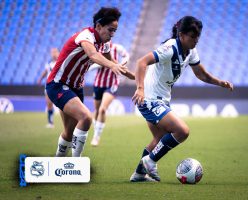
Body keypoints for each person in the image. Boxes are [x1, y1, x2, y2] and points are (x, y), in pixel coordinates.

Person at [130, 16, 234, 182]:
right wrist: (140, 89)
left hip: (162, 100)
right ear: (182, 35)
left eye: (198, 37)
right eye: (193, 36)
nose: (196, 40)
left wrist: (220, 83)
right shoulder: (170, 47)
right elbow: (142, 62)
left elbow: (202, 74)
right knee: (182, 131)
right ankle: (149, 161)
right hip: (149, 99)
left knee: (159, 139)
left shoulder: (191, 52)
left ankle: (139, 174)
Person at [46, 7, 130, 157]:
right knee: (86, 118)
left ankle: (57, 162)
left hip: (76, 89)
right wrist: (112, 66)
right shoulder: (85, 36)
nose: (112, 34)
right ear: (98, 26)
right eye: (110, 30)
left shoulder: (104, 44)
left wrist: (129, 74)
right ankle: (75, 164)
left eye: (114, 31)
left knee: (69, 132)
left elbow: (111, 60)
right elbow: (93, 54)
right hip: (57, 85)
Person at [90, 42, 135, 146]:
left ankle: (96, 137)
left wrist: (122, 63)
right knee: (96, 110)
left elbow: (126, 56)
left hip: (112, 84)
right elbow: (90, 66)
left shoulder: (117, 47)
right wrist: (100, 64)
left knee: (102, 109)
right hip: (98, 84)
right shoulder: (97, 49)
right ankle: (94, 130)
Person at [37, 48, 60, 128]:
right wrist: (40, 79)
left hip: (58, 85)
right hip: (49, 86)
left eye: (55, 52)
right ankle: (50, 122)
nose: (53, 54)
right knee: (49, 104)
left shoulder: (61, 62)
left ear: (58, 52)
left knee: (62, 103)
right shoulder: (48, 63)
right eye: (52, 52)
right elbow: (45, 72)